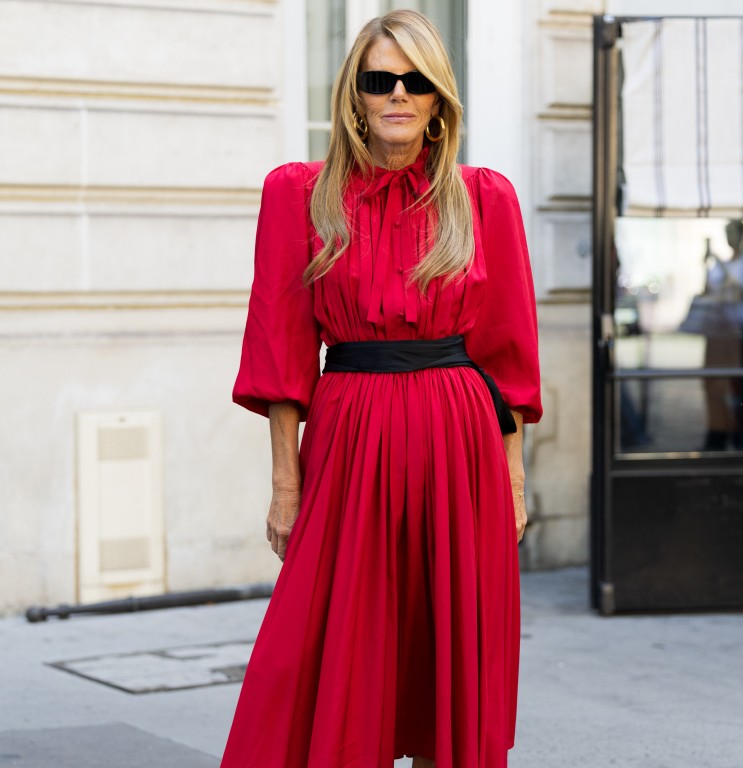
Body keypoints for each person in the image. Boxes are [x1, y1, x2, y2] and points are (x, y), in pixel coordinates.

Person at [221, 10, 541, 768]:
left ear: (439, 100)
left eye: (416, 81)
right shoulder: (299, 194)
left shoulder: (483, 198)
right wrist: (285, 485)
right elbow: (282, 352)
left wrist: (513, 479)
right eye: (379, 79)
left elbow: (506, 357)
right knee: (324, 647)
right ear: (354, 96)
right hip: (350, 440)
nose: (398, 94)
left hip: (460, 445)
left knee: (448, 655)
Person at [701, 220, 743, 450]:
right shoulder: (725, 265)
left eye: (732, 233)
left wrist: (719, 265)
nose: (729, 238)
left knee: (739, 386)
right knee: (716, 384)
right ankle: (718, 433)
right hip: (719, 333)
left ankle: (741, 436)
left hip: (740, 334)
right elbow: (710, 291)